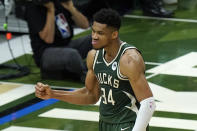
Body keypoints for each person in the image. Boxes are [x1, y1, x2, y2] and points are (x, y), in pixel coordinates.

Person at [35, 8, 156, 131]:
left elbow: (149, 103)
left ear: (114, 34)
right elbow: (91, 95)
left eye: (100, 33)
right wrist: (53, 94)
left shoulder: (129, 60)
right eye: (93, 31)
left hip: (128, 124)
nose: (94, 37)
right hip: (105, 124)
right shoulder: (93, 56)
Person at [26, 0, 92, 82]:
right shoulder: (33, 8)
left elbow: (85, 25)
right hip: (45, 53)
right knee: (72, 54)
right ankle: (85, 75)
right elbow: (48, 39)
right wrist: (51, 11)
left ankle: (97, 68)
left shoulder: (59, 3)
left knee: (94, 39)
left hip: (66, 45)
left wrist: (71, 8)